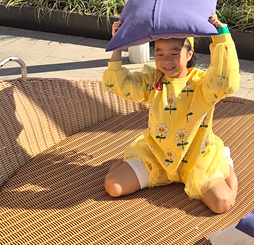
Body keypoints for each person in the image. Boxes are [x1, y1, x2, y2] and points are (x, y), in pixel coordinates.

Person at [102, 14, 240, 214]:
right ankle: (130, 161)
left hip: (197, 160)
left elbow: (226, 80)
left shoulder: (203, 84)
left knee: (223, 203)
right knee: (113, 186)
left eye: (174, 53)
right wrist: (117, 44)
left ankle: (224, 159)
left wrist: (221, 35)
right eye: (159, 54)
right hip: (157, 157)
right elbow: (121, 85)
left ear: (189, 53)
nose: (166, 60)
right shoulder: (153, 80)